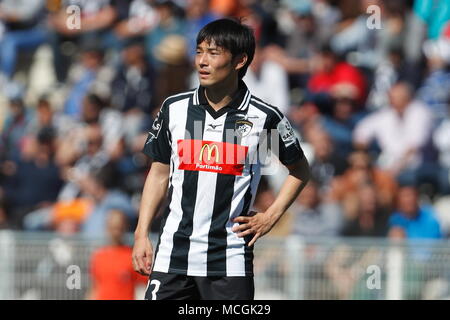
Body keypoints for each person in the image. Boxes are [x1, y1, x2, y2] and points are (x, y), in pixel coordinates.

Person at [132, 18, 310, 300]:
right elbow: (158, 173)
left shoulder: (264, 118)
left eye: (213, 53)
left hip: (229, 262)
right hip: (172, 256)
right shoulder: (174, 109)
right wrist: (141, 233)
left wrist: (270, 217)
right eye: (199, 51)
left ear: (240, 60)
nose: (202, 61)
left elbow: (300, 169)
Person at [87, 209, 147, 300]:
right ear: (107, 228)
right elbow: (94, 288)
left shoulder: (133, 256)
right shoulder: (98, 256)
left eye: (118, 228)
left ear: (125, 228)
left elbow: (146, 283)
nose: (116, 232)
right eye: (113, 227)